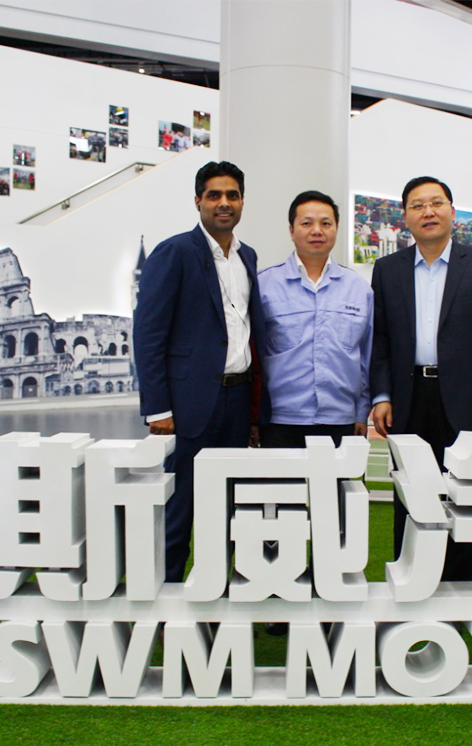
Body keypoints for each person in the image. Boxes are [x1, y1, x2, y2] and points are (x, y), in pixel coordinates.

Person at [370, 175, 472, 582]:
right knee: (410, 491)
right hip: (408, 397)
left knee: (464, 493)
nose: (428, 212)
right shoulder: (388, 270)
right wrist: (381, 395)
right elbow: (380, 339)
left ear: (452, 211)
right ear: (405, 217)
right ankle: (411, 577)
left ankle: (460, 583)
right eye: (418, 205)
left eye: (436, 203)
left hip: (466, 400)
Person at [133, 160, 265, 583]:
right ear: (198, 201)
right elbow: (148, 334)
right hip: (189, 406)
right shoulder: (174, 252)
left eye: (232, 195)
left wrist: (254, 411)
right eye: (214, 195)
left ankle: (215, 589)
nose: (224, 203)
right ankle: (166, 594)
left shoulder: (247, 256)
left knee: (227, 506)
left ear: (242, 201)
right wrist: (158, 409)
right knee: (180, 507)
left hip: (237, 400)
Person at [257, 190, 373, 450]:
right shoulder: (264, 285)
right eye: (307, 223)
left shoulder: (358, 288)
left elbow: (367, 356)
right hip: (280, 421)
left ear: (337, 229)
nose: (317, 231)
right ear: (291, 230)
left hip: (342, 420)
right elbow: (254, 356)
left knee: (343, 480)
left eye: (326, 223)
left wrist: (361, 411)